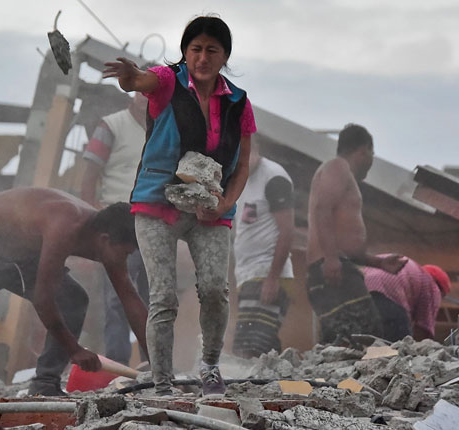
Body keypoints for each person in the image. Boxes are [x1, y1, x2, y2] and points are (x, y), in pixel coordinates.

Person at [103, 15, 256, 396]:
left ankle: (209, 367)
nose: (202, 57)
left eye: (211, 50)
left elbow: (242, 167)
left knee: (216, 291)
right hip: (157, 203)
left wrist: (224, 204)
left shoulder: (239, 102)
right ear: (186, 52)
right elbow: (140, 80)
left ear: (225, 57)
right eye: (195, 49)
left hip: (210, 210)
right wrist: (128, 77)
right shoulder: (169, 81)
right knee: (164, 296)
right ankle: (163, 382)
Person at [0, 188, 148, 396]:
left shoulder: (108, 240)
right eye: (126, 254)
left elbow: (131, 300)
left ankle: (45, 384)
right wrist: (74, 350)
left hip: (22, 256)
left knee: (73, 300)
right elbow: (43, 297)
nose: (125, 260)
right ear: (105, 240)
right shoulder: (66, 224)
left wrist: (156, 363)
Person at [306, 124, 407, 344]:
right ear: (364, 150)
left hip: (337, 267)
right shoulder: (337, 167)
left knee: (351, 341)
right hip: (331, 269)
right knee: (364, 337)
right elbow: (322, 209)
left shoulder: (343, 175)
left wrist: (378, 263)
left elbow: (345, 242)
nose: (372, 159)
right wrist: (331, 259)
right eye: (372, 153)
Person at [80, 93, 150, 366]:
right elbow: (89, 177)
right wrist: (92, 222)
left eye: (153, 91)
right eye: (142, 91)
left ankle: (153, 366)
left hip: (154, 225)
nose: (147, 98)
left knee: (154, 299)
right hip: (121, 225)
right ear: (134, 94)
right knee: (118, 299)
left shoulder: (162, 128)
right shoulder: (111, 126)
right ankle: (119, 367)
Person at [232, 138, 295, 358]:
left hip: (267, 274)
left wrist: (272, 278)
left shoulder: (274, 178)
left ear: (256, 148)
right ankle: (268, 385)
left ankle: (264, 387)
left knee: (252, 346)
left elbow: (287, 232)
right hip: (248, 276)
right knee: (254, 346)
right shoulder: (241, 181)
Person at [363, 257, 450, 341]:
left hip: (359, 293)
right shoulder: (432, 286)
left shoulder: (413, 272)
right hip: (385, 300)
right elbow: (423, 329)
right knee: (399, 345)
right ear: (439, 289)